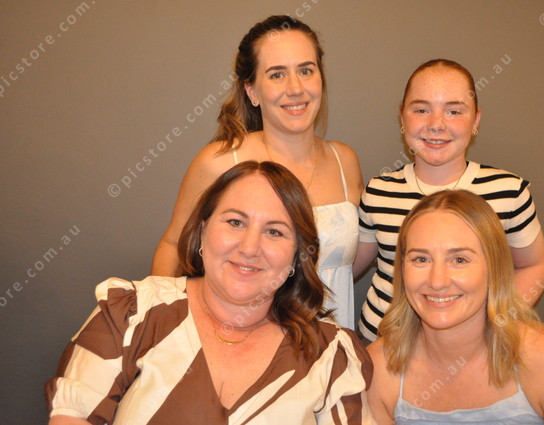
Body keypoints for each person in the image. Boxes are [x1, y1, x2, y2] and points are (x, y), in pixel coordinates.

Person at [46, 161, 374, 425]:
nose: (250, 247)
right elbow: (72, 416)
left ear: (297, 255)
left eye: (274, 231)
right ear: (203, 231)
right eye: (235, 222)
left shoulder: (331, 355)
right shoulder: (132, 314)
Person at [152, 15, 363, 329]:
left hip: (331, 343)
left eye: (306, 70)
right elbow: (173, 246)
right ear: (251, 90)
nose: (295, 88)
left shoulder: (345, 161)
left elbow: (340, 266)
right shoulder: (220, 162)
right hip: (238, 341)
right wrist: (160, 324)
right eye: (277, 74)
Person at [354, 59, 544, 342]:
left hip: (472, 353)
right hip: (379, 346)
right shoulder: (378, 192)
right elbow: (346, 267)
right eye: (421, 110)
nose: (436, 125)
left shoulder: (509, 192)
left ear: (475, 120)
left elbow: (534, 265)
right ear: (402, 118)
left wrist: (493, 326)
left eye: (454, 111)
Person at [366, 190, 544, 424]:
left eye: (459, 260)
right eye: (421, 259)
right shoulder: (377, 367)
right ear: (402, 269)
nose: (437, 281)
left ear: (493, 268)